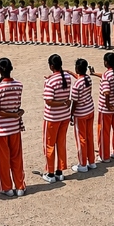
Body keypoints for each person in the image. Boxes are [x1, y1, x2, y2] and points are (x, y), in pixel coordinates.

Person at [0, 57, 26, 196]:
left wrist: (11, 115)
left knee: (2, 159)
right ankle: (20, 185)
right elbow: (16, 106)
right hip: (14, 127)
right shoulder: (19, 85)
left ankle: (7, 187)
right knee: (16, 157)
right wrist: (16, 114)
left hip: (1, 129)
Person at [42, 54, 73, 183]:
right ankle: (59, 170)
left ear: (52, 66)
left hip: (53, 117)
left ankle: (50, 172)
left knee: (49, 145)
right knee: (61, 143)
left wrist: (61, 103)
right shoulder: (67, 77)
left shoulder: (50, 81)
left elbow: (49, 101)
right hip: (64, 116)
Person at [92, 52, 114, 163]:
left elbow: (106, 92)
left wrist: (107, 104)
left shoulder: (107, 75)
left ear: (106, 62)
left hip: (106, 109)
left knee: (103, 132)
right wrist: (95, 73)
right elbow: (107, 76)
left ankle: (104, 155)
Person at [70, 58, 96, 172]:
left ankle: (82, 164)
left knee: (81, 139)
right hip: (90, 110)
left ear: (77, 68)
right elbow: (80, 78)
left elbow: (74, 101)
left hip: (80, 113)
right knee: (89, 136)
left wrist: (71, 114)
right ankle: (91, 161)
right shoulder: (88, 79)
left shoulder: (76, 84)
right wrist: (71, 73)